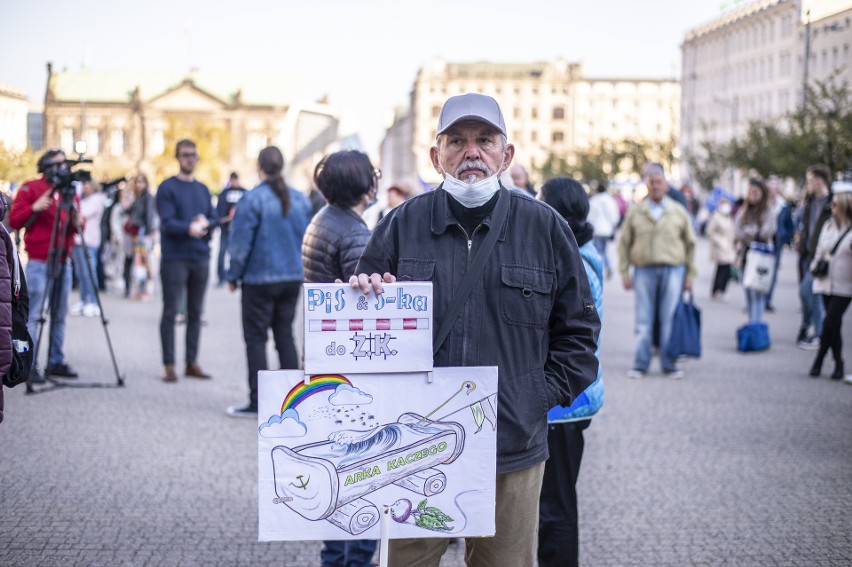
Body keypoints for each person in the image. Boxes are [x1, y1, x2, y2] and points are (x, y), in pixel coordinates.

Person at [351, 93, 600, 567]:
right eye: (457, 141)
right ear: (436, 155)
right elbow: (359, 341)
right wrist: (363, 297)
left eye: (485, 140)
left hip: (512, 447)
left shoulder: (544, 228)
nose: (471, 153)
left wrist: (533, 397)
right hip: (414, 450)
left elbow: (581, 333)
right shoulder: (401, 225)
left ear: (506, 155)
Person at [302, 150, 378, 567]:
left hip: (324, 363)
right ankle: (353, 559)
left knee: (335, 468)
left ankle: (334, 558)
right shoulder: (354, 233)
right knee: (360, 476)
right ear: (364, 185)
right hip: (348, 372)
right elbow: (362, 310)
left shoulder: (323, 219)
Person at [536, 177, 604, 567]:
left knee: (555, 507)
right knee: (555, 502)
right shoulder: (581, 253)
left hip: (564, 402)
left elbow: (568, 340)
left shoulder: (573, 263)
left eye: (541, 201)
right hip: (571, 399)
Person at [225, 146, 311, 416]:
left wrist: (233, 275)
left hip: (259, 279)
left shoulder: (252, 200)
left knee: (256, 339)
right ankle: (293, 402)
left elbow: (240, 244)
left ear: (259, 168)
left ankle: (258, 401)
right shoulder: (301, 200)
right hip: (291, 277)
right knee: (285, 336)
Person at [618, 163, 696, 379]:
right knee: (643, 320)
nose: (655, 186)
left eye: (659, 182)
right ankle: (641, 363)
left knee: (669, 319)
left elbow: (691, 244)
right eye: (651, 182)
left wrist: (690, 275)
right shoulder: (636, 212)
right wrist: (624, 272)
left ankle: (669, 363)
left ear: (666, 185)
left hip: (673, 270)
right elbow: (624, 243)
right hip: (644, 271)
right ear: (647, 185)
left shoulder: (678, 212)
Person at [8, 148, 80, 381]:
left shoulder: (69, 191)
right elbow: (14, 221)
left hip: (63, 260)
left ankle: (55, 361)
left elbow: (78, 228)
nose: (63, 168)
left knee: (60, 315)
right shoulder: (31, 187)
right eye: (59, 164)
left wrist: (78, 220)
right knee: (35, 315)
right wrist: (35, 206)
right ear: (47, 166)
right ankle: (30, 365)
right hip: (39, 260)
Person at [155, 139, 217, 383]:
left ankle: (192, 362)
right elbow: (167, 222)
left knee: (195, 311)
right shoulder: (167, 187)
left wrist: (205, 223)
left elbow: (213, 220)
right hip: (174, 258)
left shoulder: (202, 189)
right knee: (170, 311)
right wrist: (188, 228)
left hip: (199, 257)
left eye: (193, 155)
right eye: (185, 154)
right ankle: (169, 364)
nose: (190, 158)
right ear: (177, 157)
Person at [808, 180, 852, 380]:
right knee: (834, 325)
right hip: (825, 282)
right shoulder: (828, 225)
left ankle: (819, 359)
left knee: (829, 321)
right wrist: (814, 266)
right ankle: (839, 364)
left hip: (845, 286)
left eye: (835, 204)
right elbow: (819, 250)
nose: (831, 207)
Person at [796, 165, 832, 350]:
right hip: (807, 254)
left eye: (809, 180)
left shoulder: (832, 203)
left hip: (822, 257)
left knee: (809, 293)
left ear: (819, 180)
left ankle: (819, 334)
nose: (807, 184)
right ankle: (813, 329)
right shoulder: (810, 202)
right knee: (808, 293)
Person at [735, 178, 776, 324]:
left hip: (760, 256)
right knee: (747, 291)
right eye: (750, 192)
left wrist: (749, 232)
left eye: (755, 193)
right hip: (745, 255)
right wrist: (751, 233)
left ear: (762, 194)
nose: (752, 196)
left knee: (756, 293)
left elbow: (766, 232)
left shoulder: (768, 211)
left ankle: (755, 324)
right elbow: (737, 231)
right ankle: (752, 322)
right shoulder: (744, 210)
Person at [70, 174, 106, 318]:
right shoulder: (84, 198)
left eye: (87, 184)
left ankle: (94, 302)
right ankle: (84, 300)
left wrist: (76, 196)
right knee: (81, 273)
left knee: (89, 272)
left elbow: (82, 213)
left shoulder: (97, 199)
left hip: (89, 240)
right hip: (78, 239)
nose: (84, 187)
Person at [123, 173, 159, 300]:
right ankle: (134, 289)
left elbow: (149, 216)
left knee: (143, 261)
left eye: (141, 182)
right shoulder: (136, 197)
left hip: (142, 233)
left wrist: (147, 234)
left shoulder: (148, 197)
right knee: (134, 261)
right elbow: (127, 211)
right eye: (137, 182)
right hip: (134, 232)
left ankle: (144, 290)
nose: (139, 185)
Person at [765, 176, 794, 312]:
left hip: (777, 243)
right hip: (763, 243)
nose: (772, 191)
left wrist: (785, 239)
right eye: (769, 188)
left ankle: (767, 299)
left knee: (773, 273)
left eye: (773, 188)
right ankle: (757, 299)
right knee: (759, 270)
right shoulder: (762, 204)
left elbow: (789, 225)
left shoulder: (783, 206)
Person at [215, 172, 247, 287]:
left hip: (240, 230)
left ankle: (238, 276)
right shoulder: (224, 193)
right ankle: (221, 277)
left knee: (238, 253)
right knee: (222, 252)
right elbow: (219, 211)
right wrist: (221, 221)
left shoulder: (244, 192)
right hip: (225, 228)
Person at [587, 181, 620, 279]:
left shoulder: (594, 200)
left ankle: (598, 269)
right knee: (604, 250)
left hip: (597, 230)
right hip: (607, 230)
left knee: (598, 251)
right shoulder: (610, 200)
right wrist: (613, 225)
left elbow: (590, 216)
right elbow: (615, 215)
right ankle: (608, 267)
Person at [706, 197, 737, 300]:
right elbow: (710, 232)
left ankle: (719, 290)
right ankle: (718, 290)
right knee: (723, 269)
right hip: (720, 247)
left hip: (728, 247)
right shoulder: (716, 216)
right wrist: (719, 241)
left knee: (725, 269)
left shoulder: (728, 217)